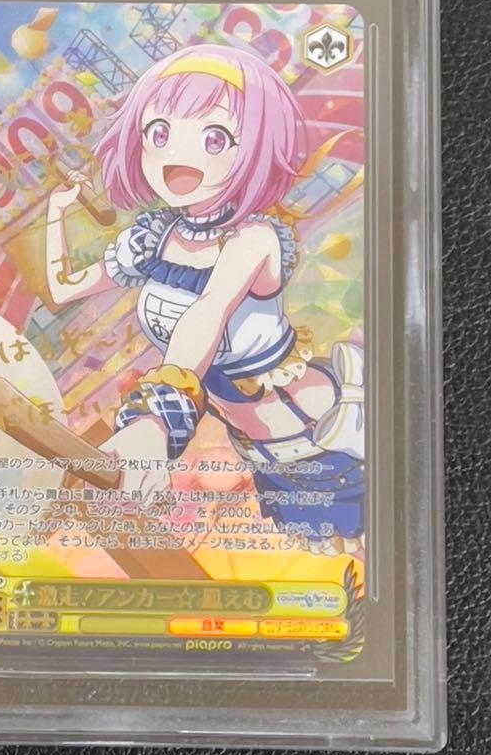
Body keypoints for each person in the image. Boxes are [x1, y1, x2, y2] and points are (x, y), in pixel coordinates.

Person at [45, 44, 364, 555]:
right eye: (159, 133)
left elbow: (208, 312)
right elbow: (62, 288)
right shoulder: (152, 240)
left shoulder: (253, 239)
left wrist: (154, 422)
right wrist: (56, 214)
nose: (179, 154)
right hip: (264, 453)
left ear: (255, 146)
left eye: (215, 137)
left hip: (325, 433)